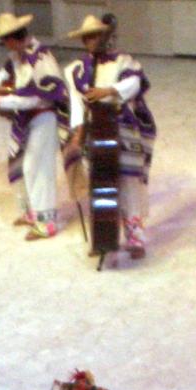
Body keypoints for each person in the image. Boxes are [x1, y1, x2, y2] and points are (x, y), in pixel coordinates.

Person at [64, 14, 157, 259]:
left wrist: (108, 90)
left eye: (96, 35)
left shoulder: (124, 61)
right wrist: (78, 133)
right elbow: (77, 104)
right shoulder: (77, 69)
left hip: (121, 124)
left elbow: (135, 83)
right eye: (88, 37)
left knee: (128, 181)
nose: (92, 40)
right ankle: (103, 236)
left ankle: (135, 235)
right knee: (99, 183)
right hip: (95, 128)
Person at [0, 13, 68, 241]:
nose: (4, 45)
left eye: (4, 40)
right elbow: (6, 71)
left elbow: (35, 98)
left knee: (38, 168)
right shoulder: (18, 55)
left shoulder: (40, 60)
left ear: (12, 39)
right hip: (27, 120)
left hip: (43, 119)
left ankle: (46, 222)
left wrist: (1, 100)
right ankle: (32, 212)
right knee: (24, 165)